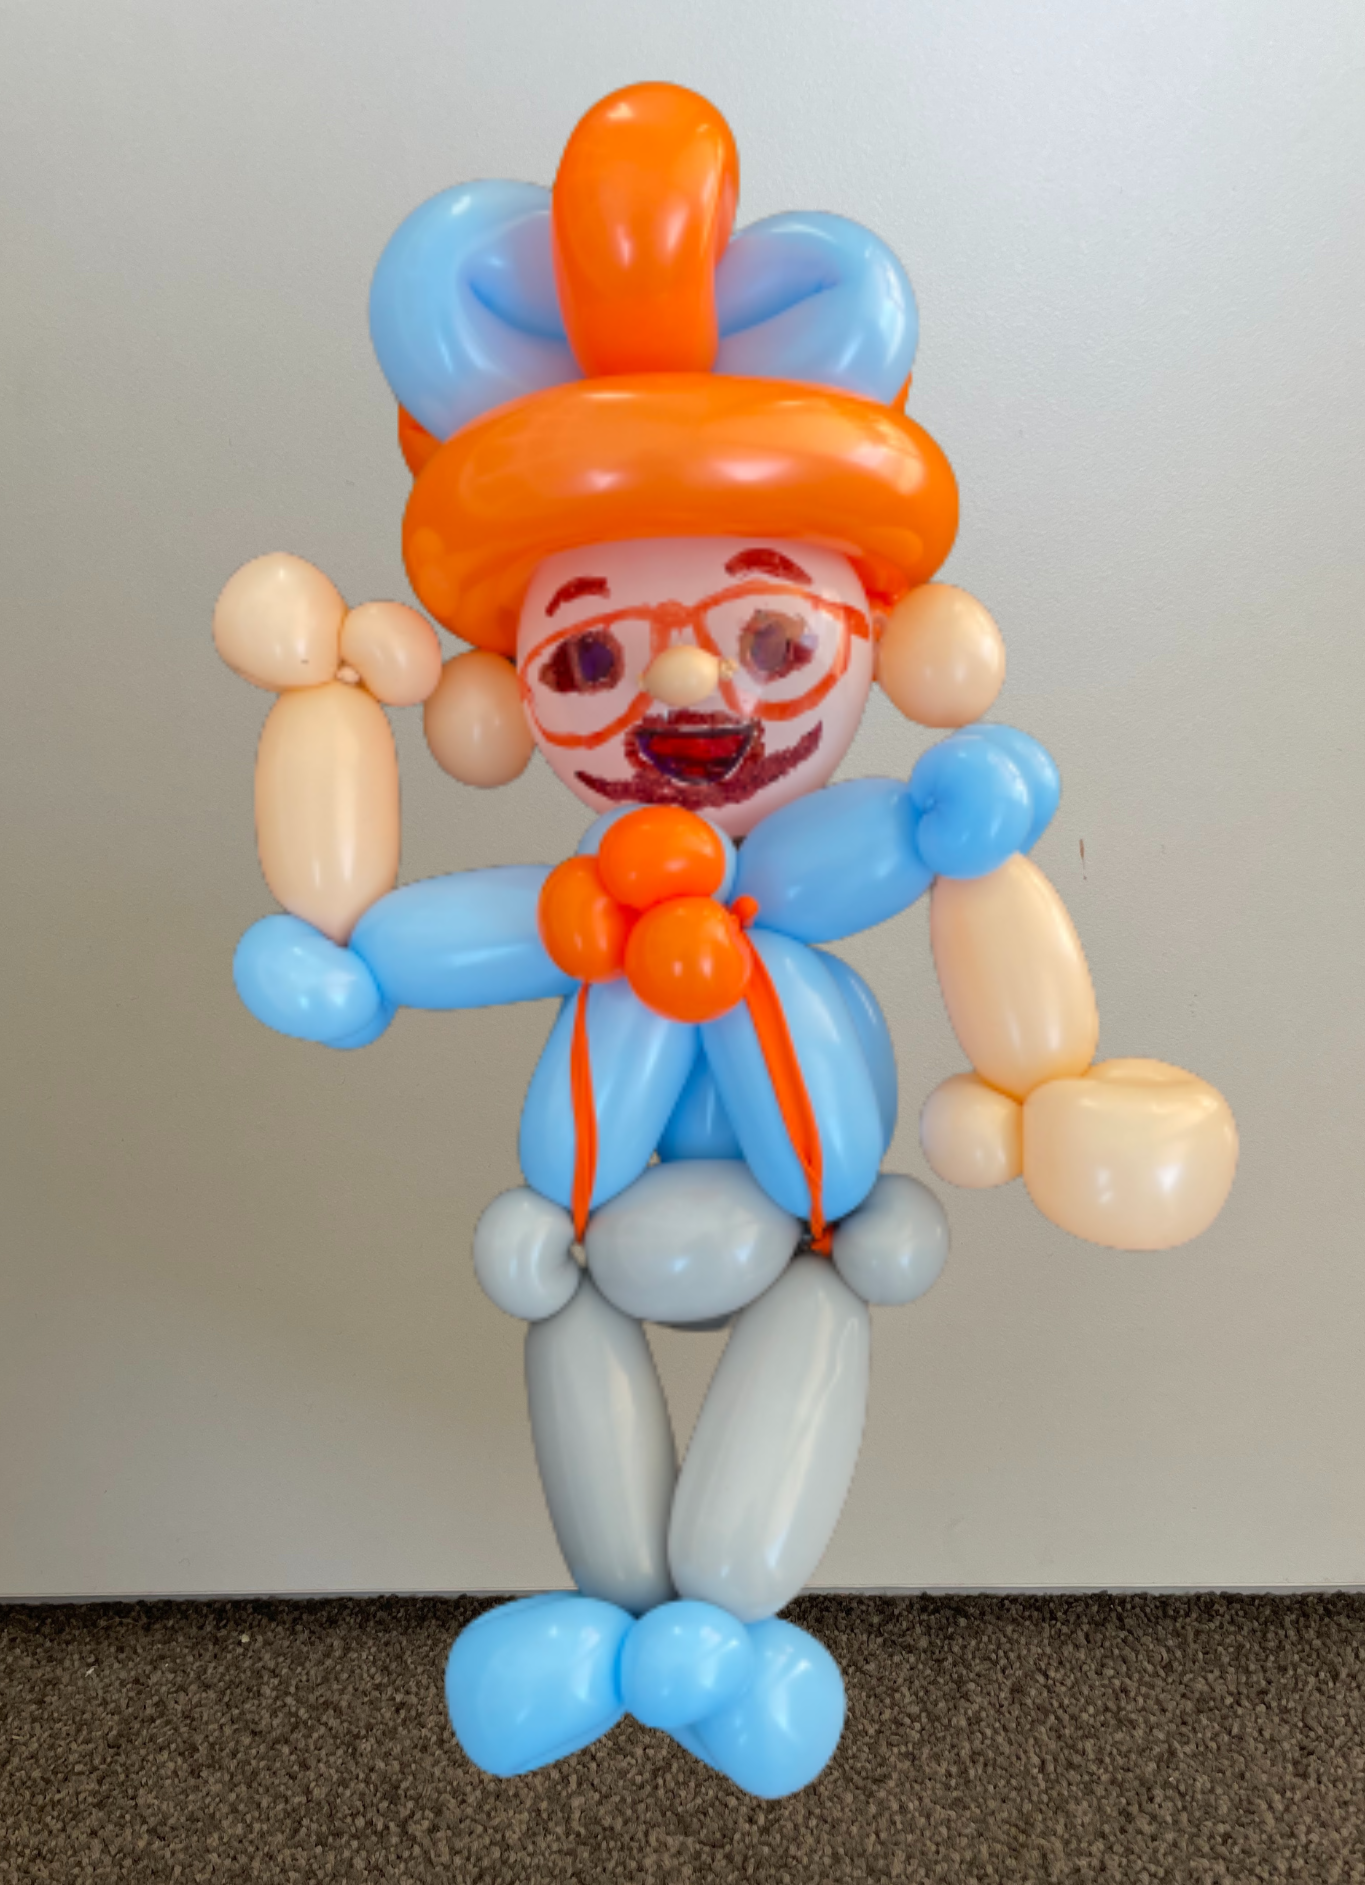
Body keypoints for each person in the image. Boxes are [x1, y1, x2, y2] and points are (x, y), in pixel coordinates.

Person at [217, 83, 1237, 1799]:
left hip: (808, 1226)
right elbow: (428, 937)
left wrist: (997, 936)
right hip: (584, 1235)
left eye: (768, 636)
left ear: (880, 642)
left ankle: (725, 1624)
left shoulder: (817, 862)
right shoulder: (583, 905)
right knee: (572, 1330)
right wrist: (358, 956)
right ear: (503, 697)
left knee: (802, 1325)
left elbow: (924, 835)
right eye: (590, 656)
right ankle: (616, 1617)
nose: (688, 686)